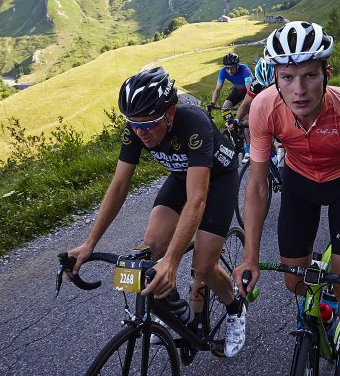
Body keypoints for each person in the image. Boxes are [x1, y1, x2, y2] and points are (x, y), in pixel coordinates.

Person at [235, 21, 340, 376]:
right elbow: (256, 186)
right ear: (275, 77)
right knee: (294, 283)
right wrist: (251, 256)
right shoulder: (264, 108)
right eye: (287, 77)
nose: (299, 89)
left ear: (327, 72)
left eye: (309, 75)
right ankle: (321, 313)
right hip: (300, 184)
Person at [66, 67, 247, 357]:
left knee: (203, 266)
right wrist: (90, 244)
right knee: (149, 251)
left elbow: (198, 199)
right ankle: (174, 309)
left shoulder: (194, 123)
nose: (140, 132)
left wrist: (173, 261)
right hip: (180, 176)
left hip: (218, 180)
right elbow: (119, 185)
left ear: (170, 113)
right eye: (133, 124)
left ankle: (235, 307)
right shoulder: (137, 127)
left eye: (148, 124)